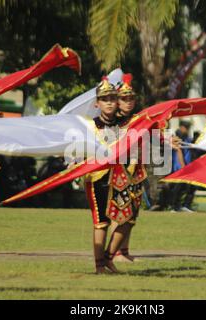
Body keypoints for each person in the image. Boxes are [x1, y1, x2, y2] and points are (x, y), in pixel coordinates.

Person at [84, 76, 132, 273]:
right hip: (96, 179)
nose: (110, 102)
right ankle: (99, 266)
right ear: (98, 103)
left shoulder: (125, 124)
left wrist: (166, 139)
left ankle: (109, 258)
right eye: (105, 99)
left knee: (126, 219)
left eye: (113, 98)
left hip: (119, 179)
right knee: (101, 223)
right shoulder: (89, 125)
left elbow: (147, 132)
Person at [112, 73, 145, 263]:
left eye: (131, 98)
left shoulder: (138, 119)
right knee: (120, 212)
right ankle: (114, 252)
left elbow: (153, 133)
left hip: (137, 171)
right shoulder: (112, 121)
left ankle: (124, 251)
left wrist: (167, 139)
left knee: (132, 214)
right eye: (125, 99)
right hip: (119, 172)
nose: (129, 102)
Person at [170, 120, 197, 213]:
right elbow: (179, 151)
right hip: (179, 166)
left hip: (187, 165)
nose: (188, 130)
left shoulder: (187, 137)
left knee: (190, 187)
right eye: (187, 128)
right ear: (182, 127)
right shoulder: (177, 136)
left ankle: (185, 206)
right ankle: (174, 207)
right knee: (178, 187)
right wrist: (182, 166)